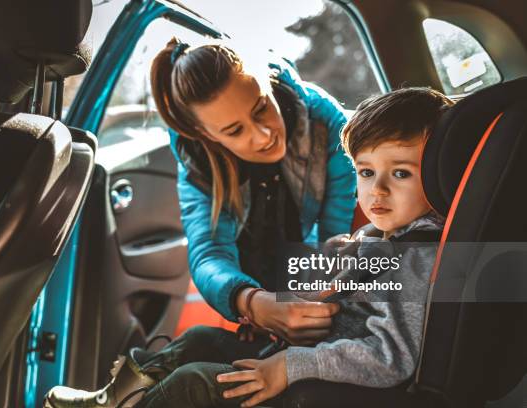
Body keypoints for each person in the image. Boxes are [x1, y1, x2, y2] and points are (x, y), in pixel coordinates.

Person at [44, 37, 357, 408]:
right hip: (262, 284)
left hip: (311, 284)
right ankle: (117, 399)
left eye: (261, 108)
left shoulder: (328, 126)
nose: (263, 135)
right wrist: (253, 302)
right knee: (196, 338)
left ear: (268, 83)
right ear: (207, 135)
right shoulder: (198, 157)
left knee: (192, 381)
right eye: (234, 131)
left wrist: (300, 311)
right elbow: (209, 253)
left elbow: (334, 240)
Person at [214, 87, 454, 407]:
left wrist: (291, 365)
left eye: (400, 173)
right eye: (366, 172)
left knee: (192, 384)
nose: (377, 191)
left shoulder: (415, 256)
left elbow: (390, 356)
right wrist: (274, 318)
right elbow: (328, 293)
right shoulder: (374, 234)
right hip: (302, 353)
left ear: (440, 174)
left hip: (322, 384)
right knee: (200, 340)